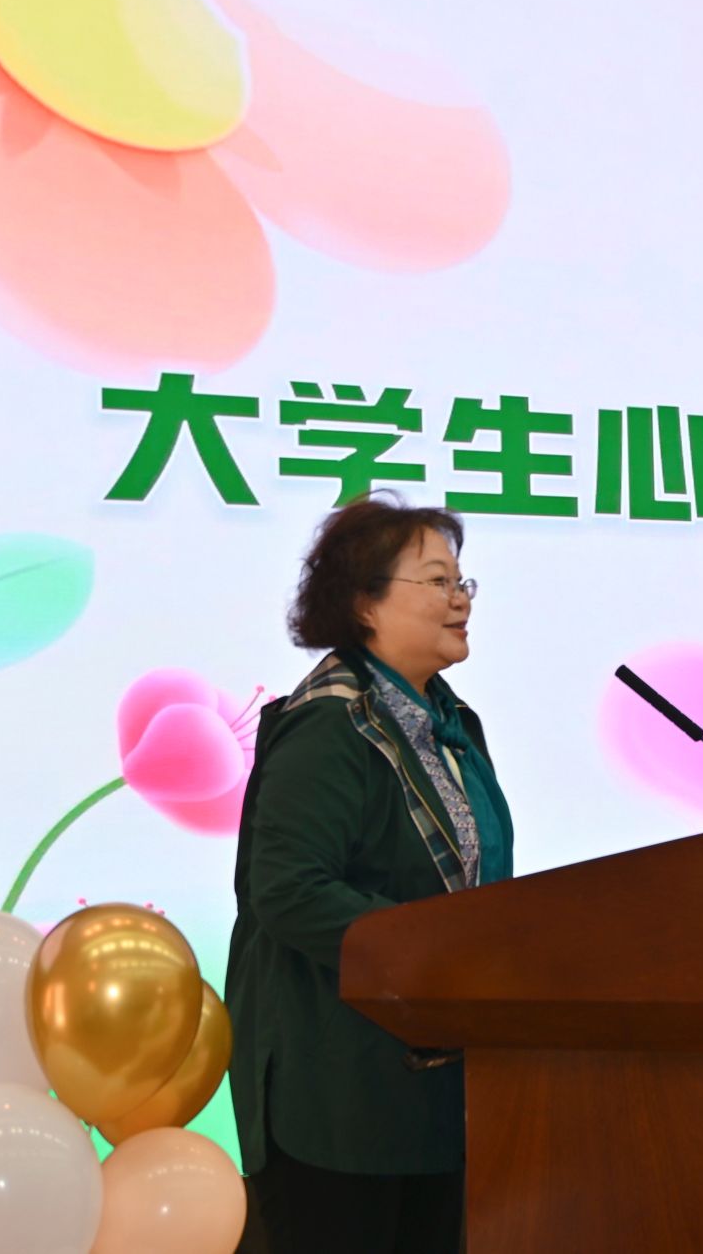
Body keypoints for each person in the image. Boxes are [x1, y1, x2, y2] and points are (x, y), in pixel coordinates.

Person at [227, 495, 515, 1254]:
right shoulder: (330, 724)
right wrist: (431, 948)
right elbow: (288, 889)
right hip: (339, 1098)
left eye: (462, 582)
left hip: (439, 1094)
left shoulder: (450, 725)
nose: (460, 600)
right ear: (364, 603)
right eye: (437, 581)